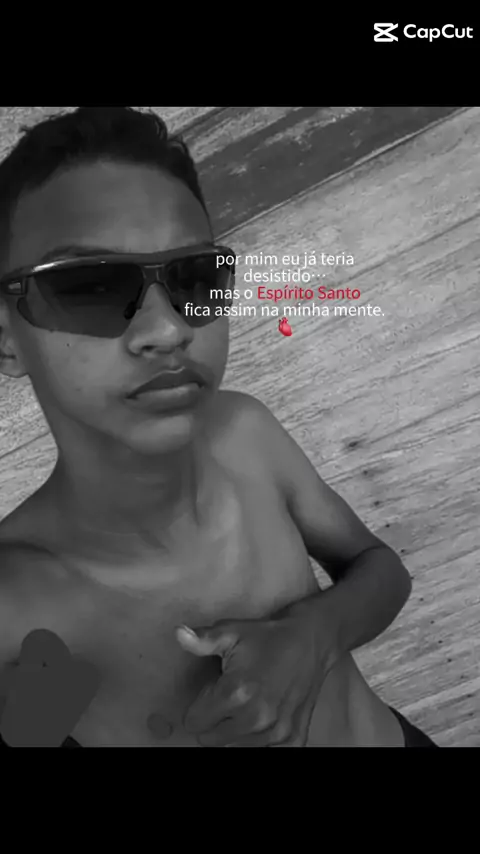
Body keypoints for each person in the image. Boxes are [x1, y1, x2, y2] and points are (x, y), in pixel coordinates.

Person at [0, 106, 437, 748]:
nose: (168, 328)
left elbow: (380, 568)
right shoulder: (13, 602)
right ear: (5, 338)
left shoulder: (245, 434)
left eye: (195, 277)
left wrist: (313, 636)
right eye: (88, 286)